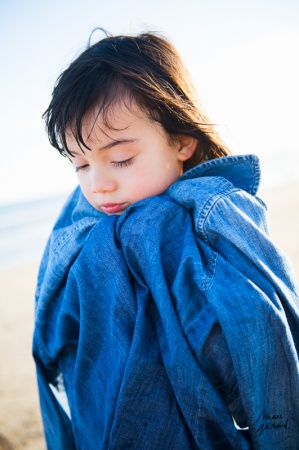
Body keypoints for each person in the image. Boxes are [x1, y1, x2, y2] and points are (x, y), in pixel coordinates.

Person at [33, 30, 299, 449]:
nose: (98, 184)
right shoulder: (84, 229)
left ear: (182, 140)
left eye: (121, 159)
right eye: (80, 165)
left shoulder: (216, 218)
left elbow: (264, 339)